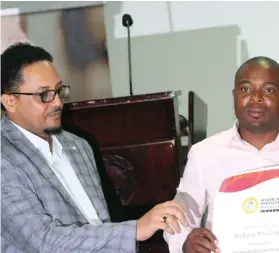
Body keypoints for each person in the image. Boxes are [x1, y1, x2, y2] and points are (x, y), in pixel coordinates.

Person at [0, 42, 188, 253]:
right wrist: (134, 229)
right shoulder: (4, 160)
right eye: (44, 95)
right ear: (10, 101)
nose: (57, 103)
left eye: (59, 90)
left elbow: (100, 224)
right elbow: (44, 242)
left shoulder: (77, 145)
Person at [164, 56, 279, 252]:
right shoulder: (205, 154)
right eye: (246, 89)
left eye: (269, 90)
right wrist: (186, 242)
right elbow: (176, 223)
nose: (255, 98)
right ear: (234, 96)